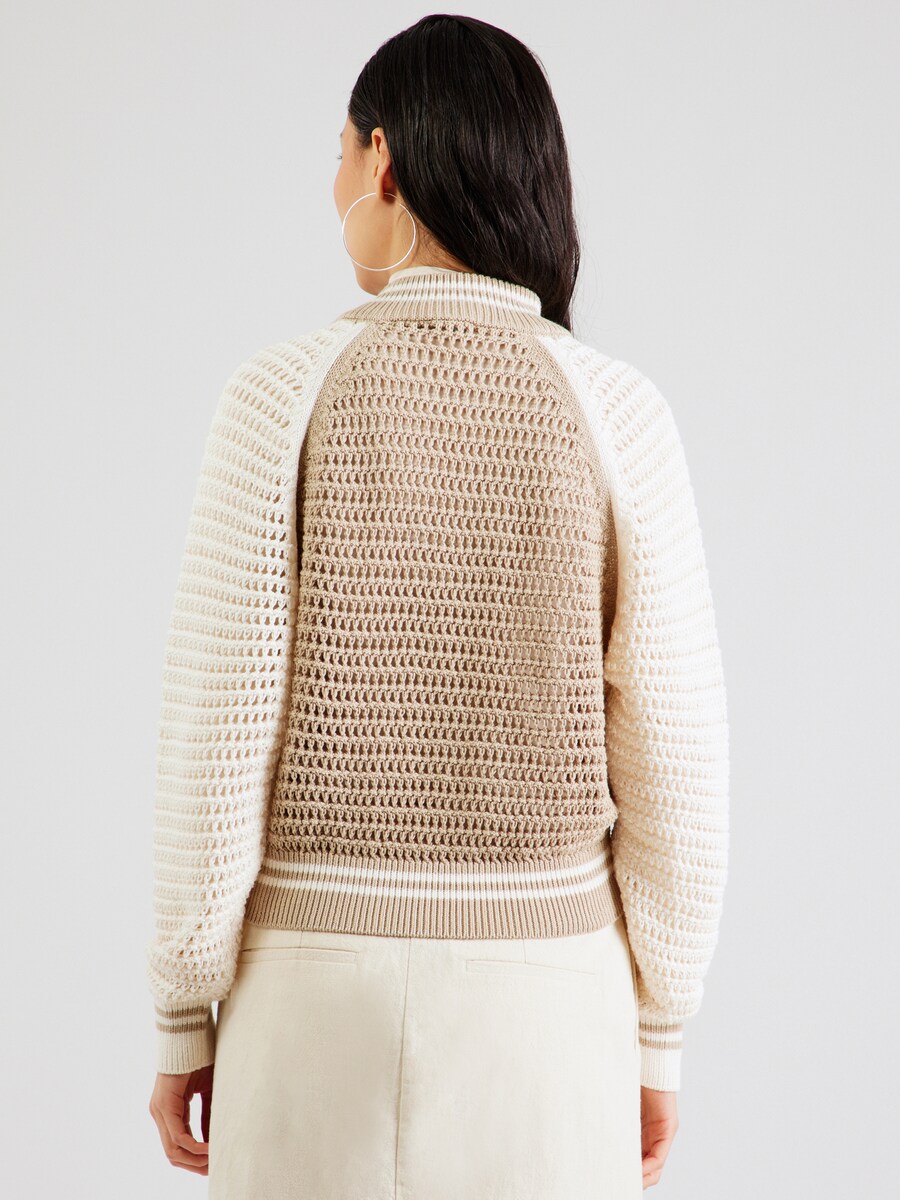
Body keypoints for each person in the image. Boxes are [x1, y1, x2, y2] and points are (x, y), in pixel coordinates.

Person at [146, 14, 729, 1197]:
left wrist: (181, 1015)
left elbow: (218, 732)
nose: (332, 189)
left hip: (310, 1005)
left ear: (384, 160)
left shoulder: (277, 399)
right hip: (550, 1013)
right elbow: (675, 751)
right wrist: (659, 1032)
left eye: (337, 156)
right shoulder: (617, 413)